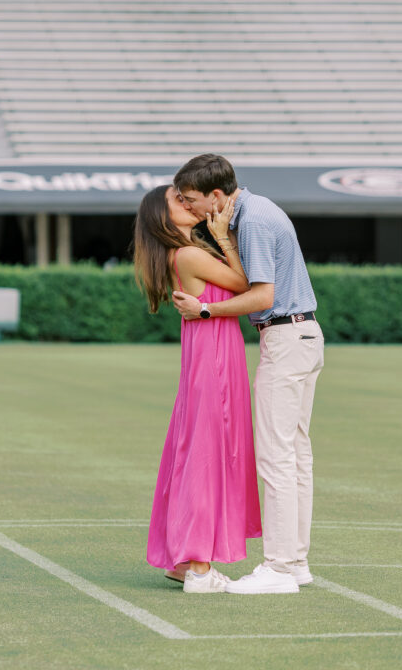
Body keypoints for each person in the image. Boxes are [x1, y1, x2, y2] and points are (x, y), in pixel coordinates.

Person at [173, 154, 324, 596]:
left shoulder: (253, 219)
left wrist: (205, 309)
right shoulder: (255, 211)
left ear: (216, 195)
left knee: (277, 455)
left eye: (193, 199)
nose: (192, 208)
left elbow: (261, 295)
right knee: (295, 455)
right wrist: (224, 242)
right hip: (301, 336)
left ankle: (279, 567)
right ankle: (293, 562)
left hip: (285, 336)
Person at [134, 184, 262, 595]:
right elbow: (247, 283)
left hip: (208, 355)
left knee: (195, 450)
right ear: (164, 216)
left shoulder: (186, 253)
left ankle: (184, 561)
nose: (187, 203)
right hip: (214, 360)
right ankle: (201, 568)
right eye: (178, 200)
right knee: (207, 453)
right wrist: (224, 235)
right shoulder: (189, 254)